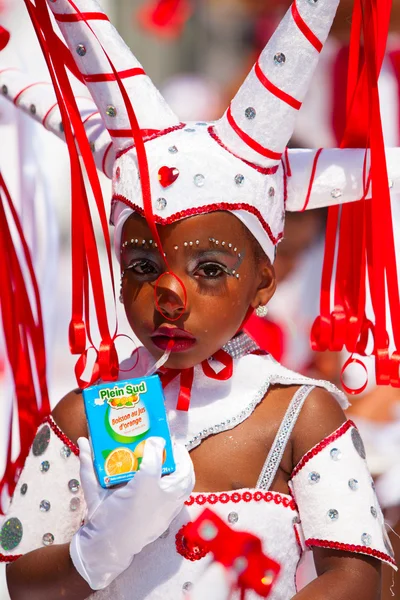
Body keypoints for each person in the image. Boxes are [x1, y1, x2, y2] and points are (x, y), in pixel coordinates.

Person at [0, 0, 399, 599]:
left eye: (209, 268)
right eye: (142, 266)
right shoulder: (87, 417)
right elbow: (22, 580)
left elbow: (356, 577)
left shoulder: (301, 414)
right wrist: (101, 545)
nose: (168, 294)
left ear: (263, 280)